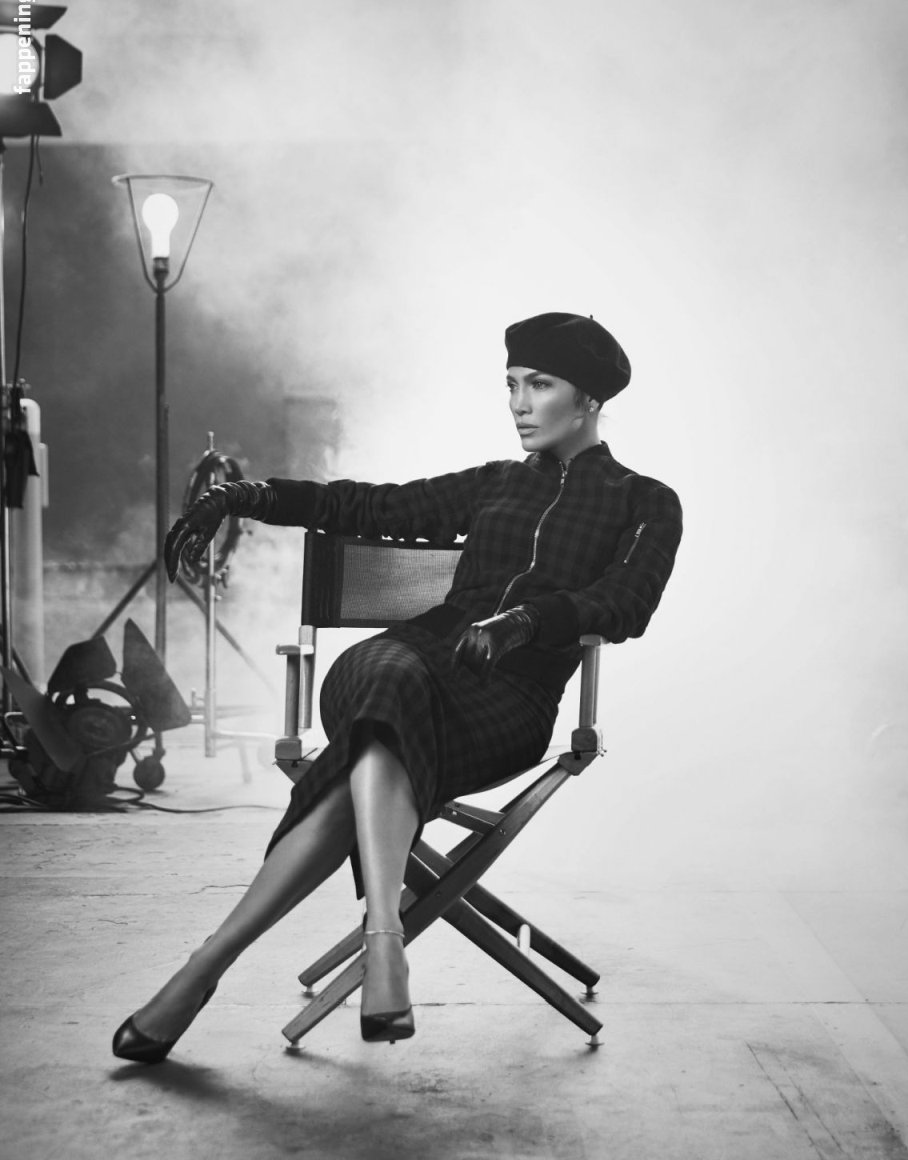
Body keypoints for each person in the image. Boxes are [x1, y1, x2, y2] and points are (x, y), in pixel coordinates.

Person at [112, 311, 683, 1061]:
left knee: (369, 743)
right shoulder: (496, 484)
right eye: (511, 384)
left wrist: (526, 622)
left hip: (508, 704)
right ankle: (386, 939)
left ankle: (202, 969)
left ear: (589, 401)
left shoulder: (646, 502)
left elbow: (626, 603)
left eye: (539, 385)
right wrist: (243, 497)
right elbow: (367, 505)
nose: (518, 403)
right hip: (411, 656)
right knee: (387, 675)